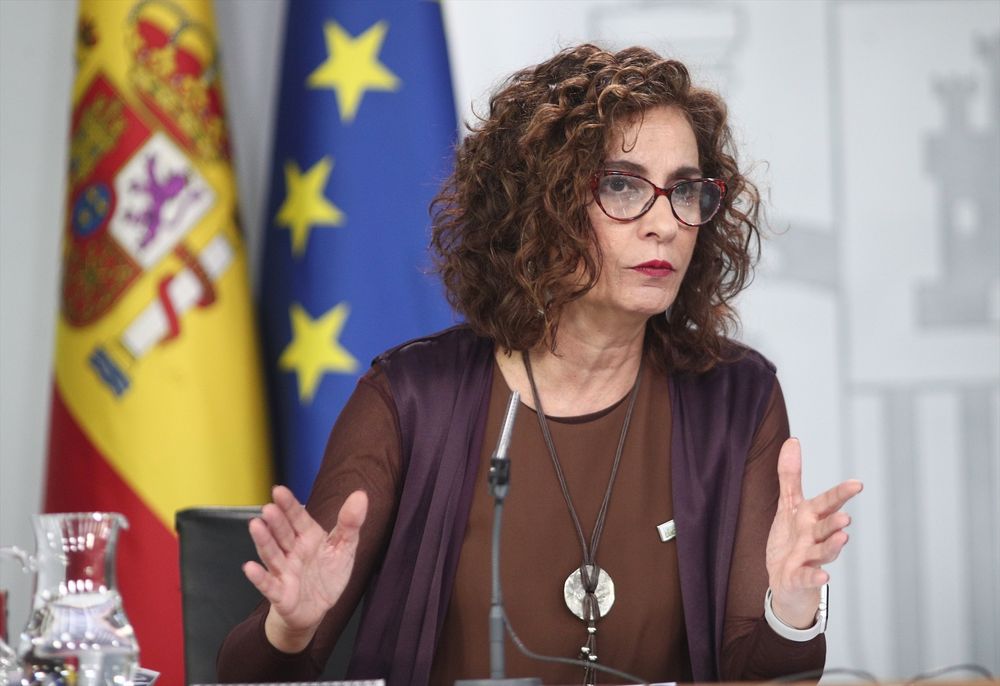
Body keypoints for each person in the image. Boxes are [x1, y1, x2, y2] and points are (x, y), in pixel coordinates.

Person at [217, 44, 863, 685]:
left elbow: (763, 681)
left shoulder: (735, 401)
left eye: (686, 192)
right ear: (540, 205)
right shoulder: (410, 400)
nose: (665, 222)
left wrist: (790, 610)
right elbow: (245, 676)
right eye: (622, 184)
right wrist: (291, 628)